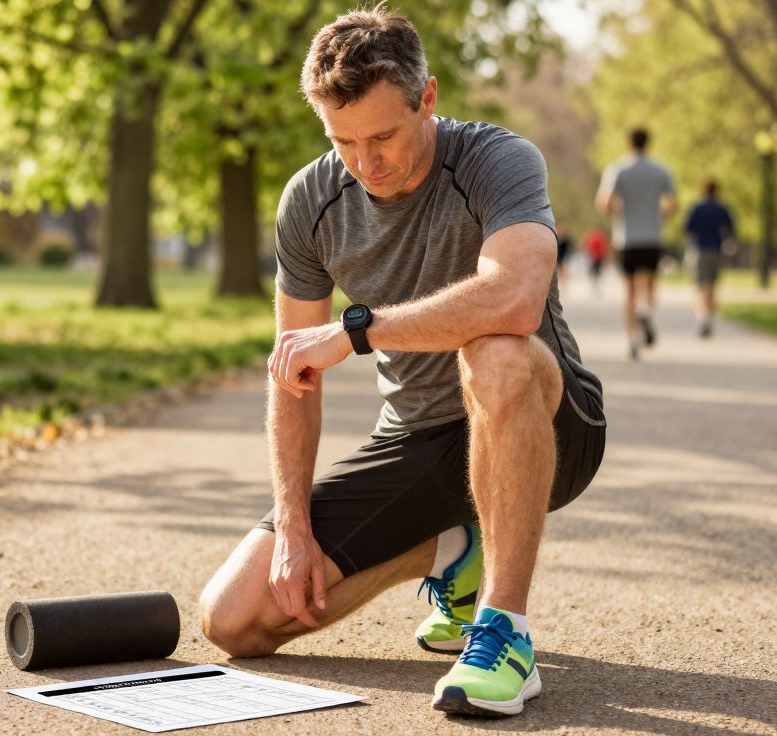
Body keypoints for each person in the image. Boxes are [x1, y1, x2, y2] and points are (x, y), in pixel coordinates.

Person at [198, 5, 606, 719]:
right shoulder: (311, 201)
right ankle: (451, 545)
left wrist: (356, 331)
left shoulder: (496, 160)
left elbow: (514, 298)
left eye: (383, 135)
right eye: (343, 141)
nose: (366, 163)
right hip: (419, 441)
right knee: (235, 619)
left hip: (548, 423)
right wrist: (293, 526)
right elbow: (293, 374)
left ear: (427, 98)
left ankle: (502, 630)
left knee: (494, 353)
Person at [595, 128, 676, 360]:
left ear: (628, 143)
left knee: (629, 291)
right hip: (652, 237)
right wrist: (659, 217)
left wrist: (618, 213)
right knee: (649, 284)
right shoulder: (660, 170)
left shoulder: (618, 169)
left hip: (627, 237)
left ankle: (633, 339)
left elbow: (603, 203)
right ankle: (646, 310)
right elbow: (672, 204)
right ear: (648, 144)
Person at [684, 179, 735, 338]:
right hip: (716, 250)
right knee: (712, 285)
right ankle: (709, 318)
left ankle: (702, 317)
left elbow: (688, 228)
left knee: (701, 285)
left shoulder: (697, 208)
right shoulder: (722, 208)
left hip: (700, 249)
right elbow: (730, 229)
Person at [584, 226, 609, 294]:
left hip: (597, 257)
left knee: (596, 271)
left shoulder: (596, 237)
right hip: (595, 257)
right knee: (595, 271)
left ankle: (595, 283)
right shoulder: (596, 237)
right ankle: (595, 283)